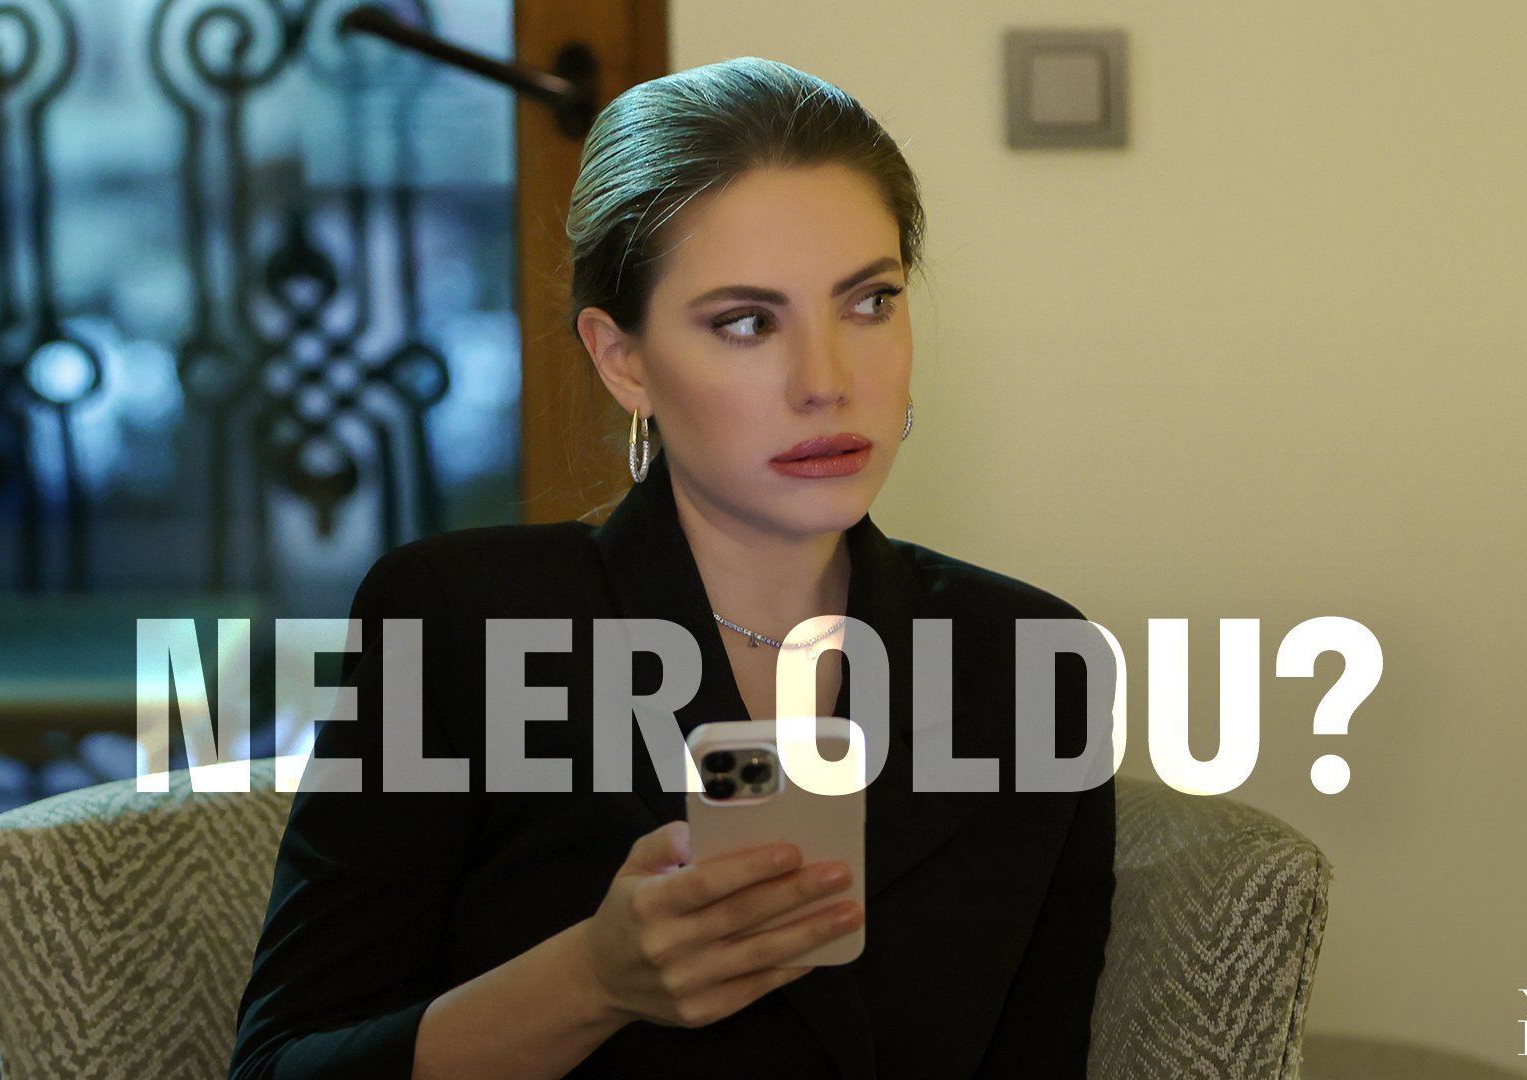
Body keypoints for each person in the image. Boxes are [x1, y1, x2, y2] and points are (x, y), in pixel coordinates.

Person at [229, 56, 1115, 1079]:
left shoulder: (1035, 661)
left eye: (870, 301)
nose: (826, 381)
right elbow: (280, 1067)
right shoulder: (461, 624)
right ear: (624, 360)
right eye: (746, 322)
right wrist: (592, 981)